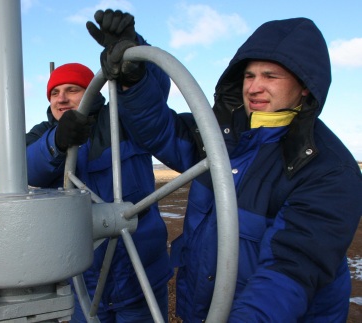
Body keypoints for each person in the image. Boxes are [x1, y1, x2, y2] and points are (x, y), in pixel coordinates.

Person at [94, 17, 362, 322]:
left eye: (270, 76)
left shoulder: (327, 169)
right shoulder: (220, 137)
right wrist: (135, 78)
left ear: (304, 86)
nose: (254, 87)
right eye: (249, 76)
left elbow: (288, 272)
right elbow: (160, 131)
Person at [25, 10, 173, 322]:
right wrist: (57, 142)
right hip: (82, 280)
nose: (62, 99)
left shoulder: (124, 119)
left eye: (72, 90)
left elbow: (153, 99)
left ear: (91, 90)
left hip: (139, 272)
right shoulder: (41, 135)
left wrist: (132, 52)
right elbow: (26, 169)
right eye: (55, 92)